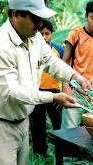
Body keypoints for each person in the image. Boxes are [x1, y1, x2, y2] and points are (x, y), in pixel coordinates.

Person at [0, 0, 92, 165]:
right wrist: (53, 97)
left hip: (21, 121)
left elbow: (51, 61)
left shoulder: (34, 37)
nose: (39, 24)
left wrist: (76, 77)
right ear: (15, 15)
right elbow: (12, 92)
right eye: (35, 18)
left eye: (41, 18)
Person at [61, 0, 93, 128]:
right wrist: (66, 89)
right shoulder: (75, 35)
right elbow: (65, 62)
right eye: (92, 17)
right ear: (86, 17)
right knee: (70, 129)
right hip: (76, 88)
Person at [29, 19, 64, 156]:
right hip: (37, 91)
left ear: (52, 34)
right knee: (38, 124)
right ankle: (40, 152)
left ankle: (60, 151)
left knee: (58, 124)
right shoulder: (32, 50)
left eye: (47, 34)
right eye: (41, 33)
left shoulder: (58, 50)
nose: (44, 37)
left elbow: (63, 69)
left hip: (55, 91)